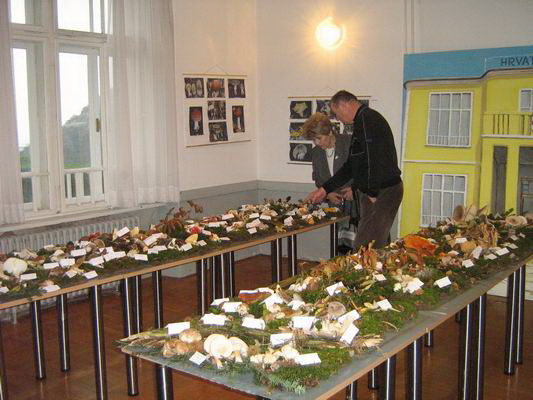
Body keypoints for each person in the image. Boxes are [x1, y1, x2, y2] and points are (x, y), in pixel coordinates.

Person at [306, 90, 403, 249]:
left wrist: (371, 192)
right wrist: (325, 189)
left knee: (367, 246)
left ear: (344, 105)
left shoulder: (367, 120)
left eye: (337, 114)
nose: (338, 119)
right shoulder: (363, 121)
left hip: (383, 190)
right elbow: (352, 166)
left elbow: (374, 159)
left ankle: (373, 266)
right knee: (372, 245)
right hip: (378, 191)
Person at [302, 112, 358, 253]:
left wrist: (355, 189)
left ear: (330, 132)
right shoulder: (316, 153)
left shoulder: (349, 143)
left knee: (360, 247)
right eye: (313, 140)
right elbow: (318, 179)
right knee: (341, 249)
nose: (317, 143)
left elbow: (363, 170)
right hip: (336, 209)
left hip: (357, 207)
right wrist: (328, 194)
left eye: (319, 138)